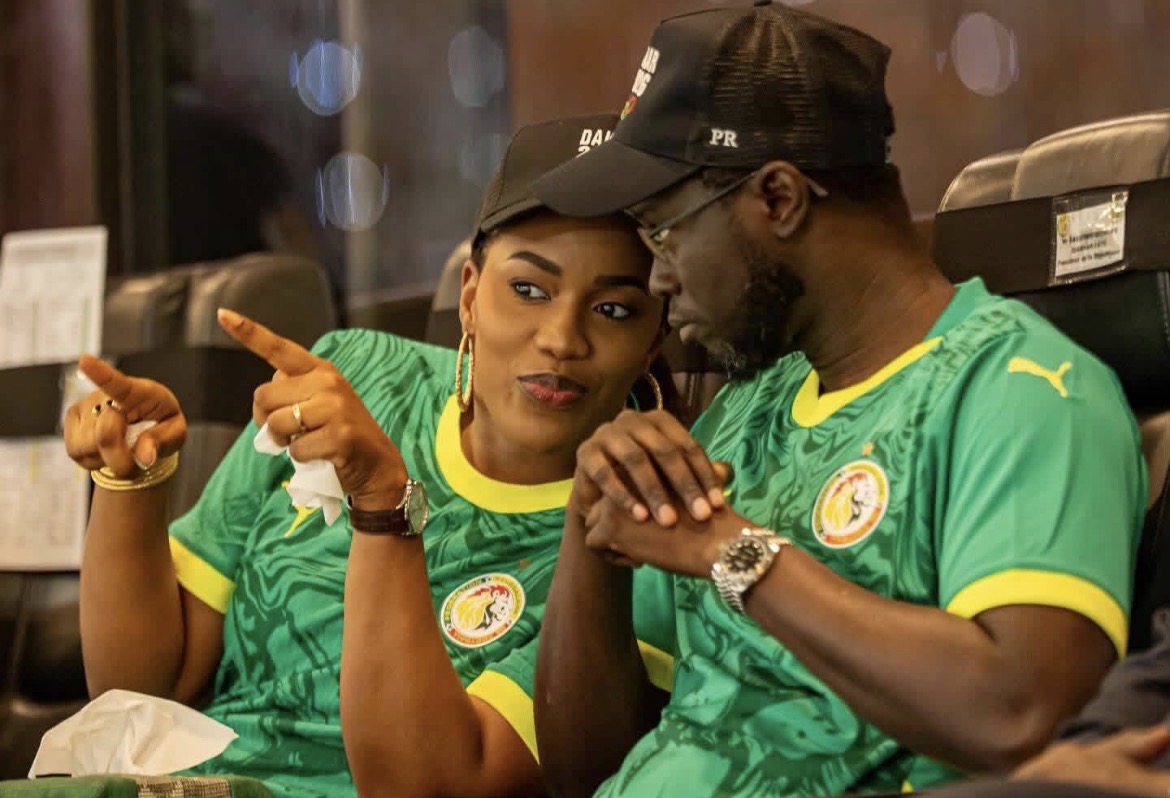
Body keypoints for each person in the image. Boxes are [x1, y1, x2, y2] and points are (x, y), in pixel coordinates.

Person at [528, 3, 1147, 797]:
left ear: (779, 198)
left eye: (661, 233)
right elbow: (585, 772)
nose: (658, 278)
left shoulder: (1020, 387)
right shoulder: (749, 411)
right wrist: (591, 532)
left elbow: (1018, 713)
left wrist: (733, 551)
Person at [63, 113, 677, 798]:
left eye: (614, 310)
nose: (562, 339)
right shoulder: (355, 376)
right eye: (528, 290)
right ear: (471, 296)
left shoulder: (639, 531)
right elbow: (142, 689)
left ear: (654, 339)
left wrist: (383, 505)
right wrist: (133, 479)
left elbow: (436, 788)